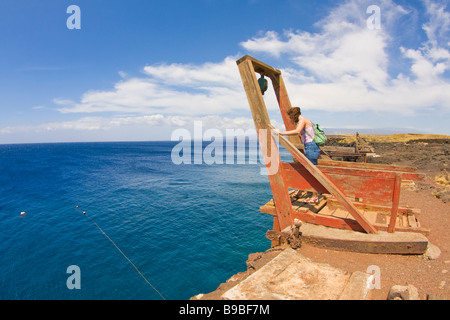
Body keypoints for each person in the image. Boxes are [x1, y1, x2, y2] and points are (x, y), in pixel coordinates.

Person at [274, 107, 321, 203]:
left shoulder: (302, 120)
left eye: (290, 116)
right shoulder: (303, 120)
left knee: (312, 173)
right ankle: (301, 191)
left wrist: (281, 133)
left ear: (294, 115)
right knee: (304, 170)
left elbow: (297, 131)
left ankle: (315, 197)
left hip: (311, 147)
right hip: (309, 146)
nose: (290, 118)